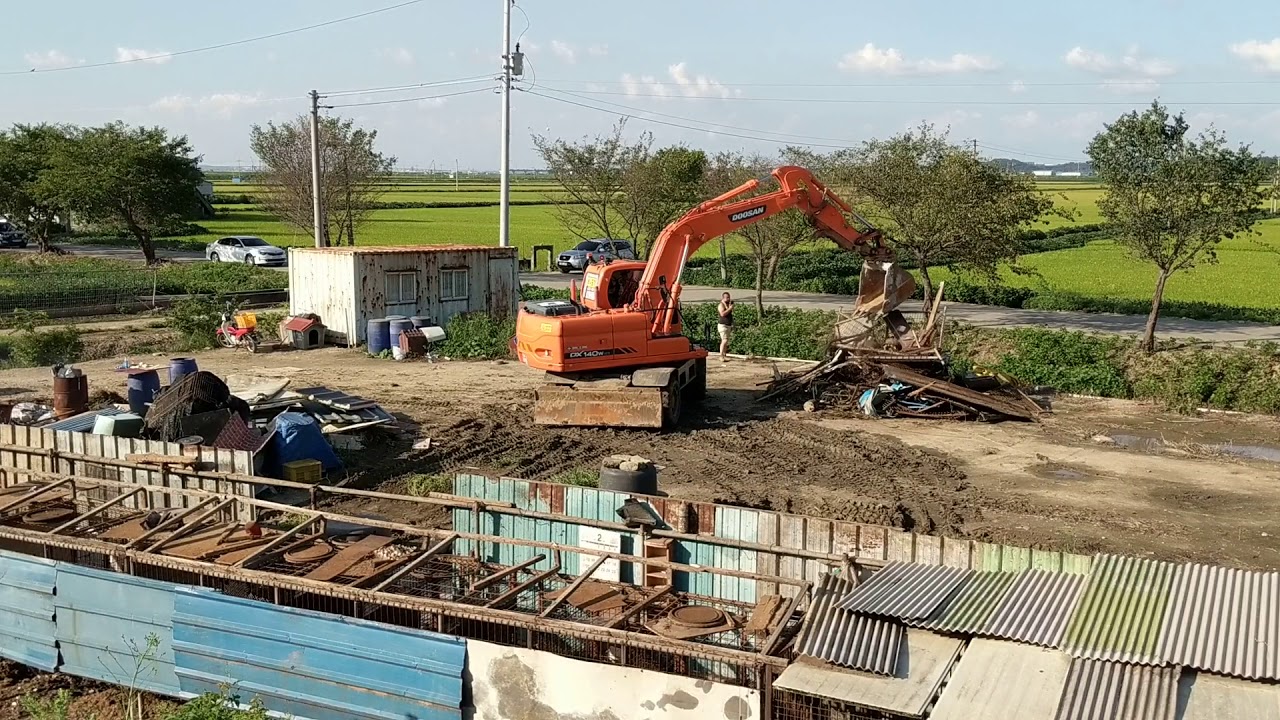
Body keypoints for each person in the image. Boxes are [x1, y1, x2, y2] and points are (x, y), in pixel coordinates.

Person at [717, 292, 734, 362]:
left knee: (726, 341)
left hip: (728, 325)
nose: (728, 299)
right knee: (724, 340)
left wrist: (730, 307)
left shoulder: (727, 305)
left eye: (729, 297)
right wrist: (730, 308)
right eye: (726, 297)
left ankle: (724, 355)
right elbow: (722, 314)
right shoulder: (721, 305)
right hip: (723, 325)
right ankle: (721, 356)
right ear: (723, 298)